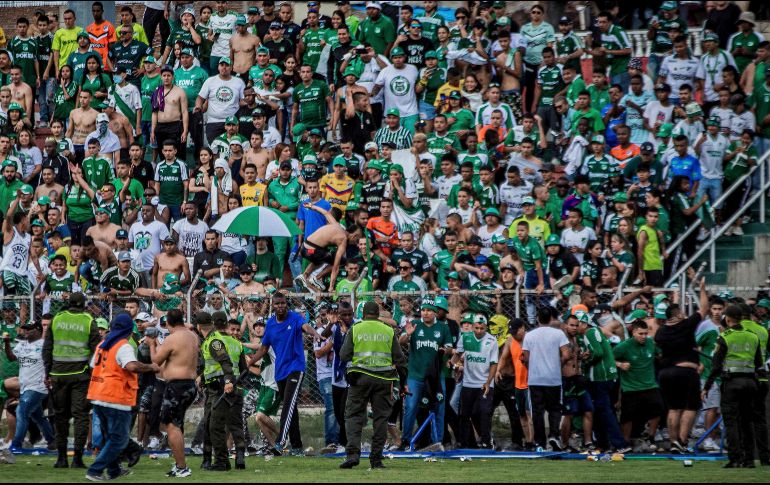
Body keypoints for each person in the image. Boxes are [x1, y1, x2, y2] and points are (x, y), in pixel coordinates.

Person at [85, 313, 159, 481]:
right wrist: (151, 367)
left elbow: (92, 366)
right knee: (118, 439)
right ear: (128, 330)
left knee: (109, 436)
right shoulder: (123, 345)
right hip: (116, 397)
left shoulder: (102, 344)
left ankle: (113, 470)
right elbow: (131, 366)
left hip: (98, 395)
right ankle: (95, 470)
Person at [248, 292, 323, 456]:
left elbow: (305, 326)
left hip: (295, 368)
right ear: (273, 306)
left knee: (288, 405)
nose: (280, 306)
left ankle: (281, 441)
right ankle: (297, 447)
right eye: (277, 304)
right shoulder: (271, 325)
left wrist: (315, 334)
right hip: (280, 371)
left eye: (283, 303)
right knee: (291, 409)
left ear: (286, 304)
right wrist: (250, 361)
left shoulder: (294, 318)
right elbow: (263, 348)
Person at [338, 300, 407, 469]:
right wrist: (402, 384)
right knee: (381, 418)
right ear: (378, 314)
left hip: (360, 379)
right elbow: (400, 360)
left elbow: (344, 355)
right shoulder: (388, 330)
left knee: (353, 416)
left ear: (362, 314)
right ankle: (376, 459)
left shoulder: (356, 329)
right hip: (384, 380)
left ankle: (353, 455)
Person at [702, 304, 766, 468]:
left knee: (731, 422)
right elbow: (759, 363)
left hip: (732, 383)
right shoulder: (753, 336)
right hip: (751, 383)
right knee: (747, 422)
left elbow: (715, 366)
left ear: (728, 318)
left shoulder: (725, 337)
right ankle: (749, 460)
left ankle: (735, 458)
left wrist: (706, 387)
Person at [42, 292, 100, 469]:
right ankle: (77, 459)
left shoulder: (57, 319)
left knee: (60, 416)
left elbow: (47, 348)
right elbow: (96, 350)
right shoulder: (89, 321)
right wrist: (91, 371)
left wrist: (48, 372)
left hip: (58, 374)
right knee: (80, 416)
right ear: (83, 305)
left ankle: (61, 458)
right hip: (80, 375)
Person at [655, 279, 709, 454]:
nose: (685, 314)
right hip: (686, 371)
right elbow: (704, 309)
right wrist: (702, 290)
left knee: (673, 408)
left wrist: (676, 298)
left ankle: (673, 442)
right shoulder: (686, 325)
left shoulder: (661, 332)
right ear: (678, 315)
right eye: (682, 312)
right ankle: (683, 441)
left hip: (666, 373)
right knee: (690, 407)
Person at [147, 309, 199, 478]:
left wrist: (152, 344)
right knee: (177, 425)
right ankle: (178, 464)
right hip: (190, 385)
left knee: (171, 426)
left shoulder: (172, 338)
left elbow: (156, 361)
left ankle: (183, 467)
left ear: (168, 323)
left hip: (177, 386)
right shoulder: (192, 336)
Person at [197, 311, 247, 471]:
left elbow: (225, 363)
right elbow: (243, 369)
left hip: (221, 388)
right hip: (232, 387)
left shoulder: (214, 342)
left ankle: (217, 460)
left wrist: (227, 381)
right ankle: (237, 458)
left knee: (214, 425)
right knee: (234, 424)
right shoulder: (236, 343)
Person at [521, 307, 570, 450]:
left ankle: (539, 442)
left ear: (537, 319)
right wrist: (557, 364)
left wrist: (533, 366)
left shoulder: (529, 335)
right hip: (553, 378)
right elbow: (566, 354)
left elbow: (525, 357)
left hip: (535, 379)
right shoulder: (558, 334)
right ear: (551, 319)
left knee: (537, 411)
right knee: (555, 409)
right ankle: (554, 435)